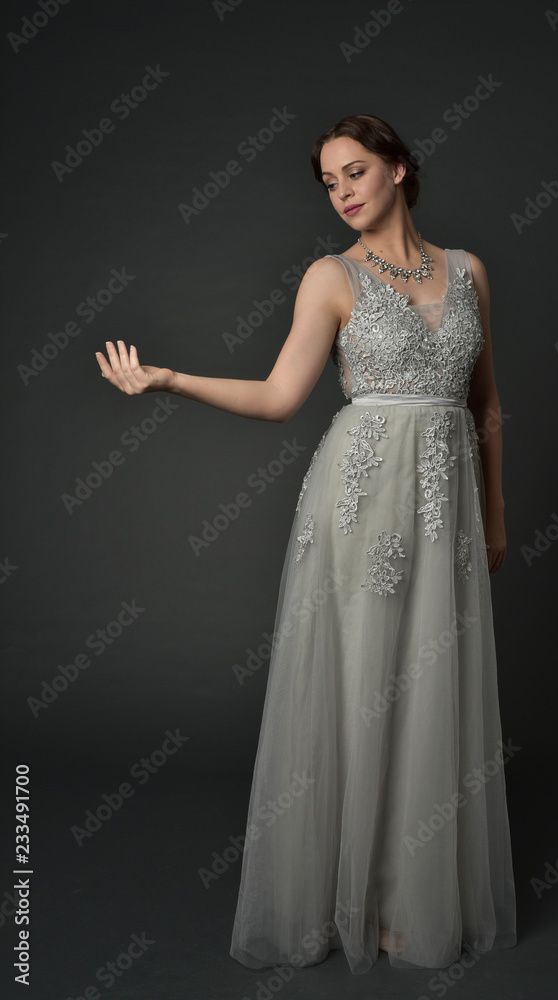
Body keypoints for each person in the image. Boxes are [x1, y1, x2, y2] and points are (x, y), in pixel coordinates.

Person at [96, 113, 517, 975]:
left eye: (355, 171)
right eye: (328, 183)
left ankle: (411, 903)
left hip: (446, 510)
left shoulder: (469, 271)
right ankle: (349, 903)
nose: (343, 192)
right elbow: (281, 396)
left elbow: (483, 406)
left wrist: (497, 513)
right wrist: (168, 377)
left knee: (430, 691)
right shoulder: (330, 278)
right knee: (364, 686)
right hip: (359, 503)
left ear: (399, 168)